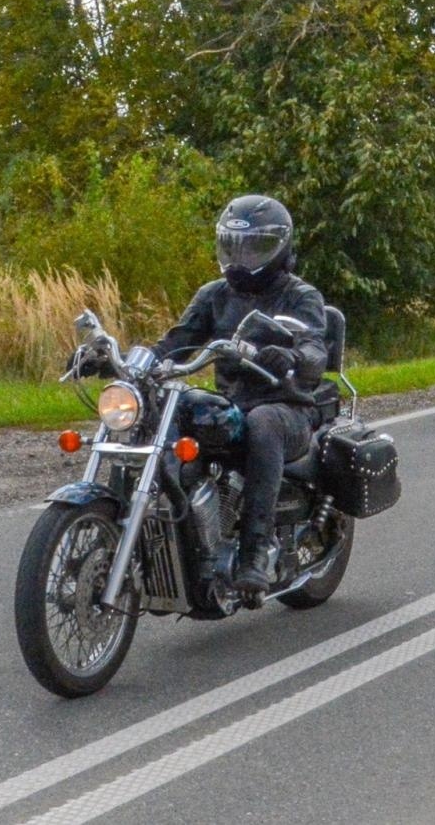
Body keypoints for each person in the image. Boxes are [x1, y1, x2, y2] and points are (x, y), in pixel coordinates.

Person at [149, 195, 328, 595]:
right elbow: (178, 341)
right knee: (166, 408)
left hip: (288, 409)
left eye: (254, 247)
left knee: (261, 422)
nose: (241, 257)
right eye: (233, 246)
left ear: (279, 247)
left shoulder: (300, 295)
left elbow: (316, 346)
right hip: (232, 404)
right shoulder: (214, 294)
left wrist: (294, 355)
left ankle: (256, 549)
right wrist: (135, 360)